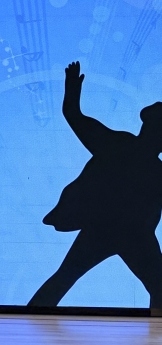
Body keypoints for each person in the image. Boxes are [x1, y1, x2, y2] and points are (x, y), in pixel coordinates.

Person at [29, 61, 162, 313]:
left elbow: (74, 116)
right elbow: (75, 117)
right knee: (65, 276)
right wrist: (72, 90)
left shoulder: (145, 162)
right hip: (107, 228)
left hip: (132, 234)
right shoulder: (118, 144)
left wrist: (72, 91)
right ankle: (31, 317)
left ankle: (157, 327)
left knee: (65, 276)